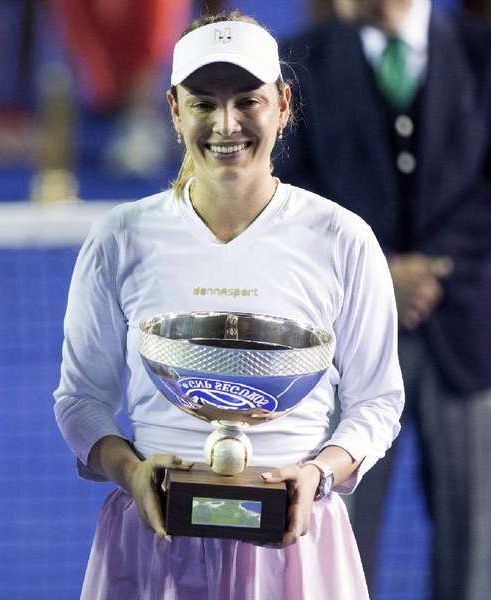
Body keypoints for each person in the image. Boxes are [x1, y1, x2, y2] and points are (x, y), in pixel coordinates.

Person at [53, 12, 404, 599]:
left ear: (284, 103)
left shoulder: (342, 238)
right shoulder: (120, 237)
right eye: (203, 103)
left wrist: (317, 475)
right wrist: (131, 472)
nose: (226, 123)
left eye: (247, 100)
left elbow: (377, 401)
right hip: (153, 545)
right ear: (173, 109)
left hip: (296, 548)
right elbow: (80, 401)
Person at [275, 1, 491, 598]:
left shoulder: (480, 53)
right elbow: (288, 191)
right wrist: (380, 273)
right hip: (347, 341)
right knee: (335, 535)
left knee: (475, 542)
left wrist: (430, 271)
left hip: (465, 337)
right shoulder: (300, 64)